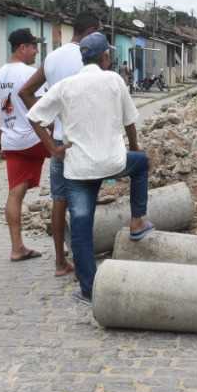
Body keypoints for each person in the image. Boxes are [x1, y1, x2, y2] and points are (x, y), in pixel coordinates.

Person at [27, 32, 153, 305]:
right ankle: (137, 221)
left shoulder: (65, 86)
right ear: (105, 57)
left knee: (82, 227)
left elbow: (34, 116)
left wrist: (53, 149)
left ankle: (89, 289)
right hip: (113, 162)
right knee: (141, 164)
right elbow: (130, 121)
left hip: (79, 169)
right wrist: (134, 147)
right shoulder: (115, 81)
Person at [19, 12, 96, 278]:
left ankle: (60, 263)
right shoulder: (90, 57)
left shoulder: (52, 58)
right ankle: (84, 263)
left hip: (60, 143)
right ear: (91, 31)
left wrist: (49, 123)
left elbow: (25, 92)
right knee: (84, 201)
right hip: (85, 143)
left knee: (60, 201)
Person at [0, 28, 45, 263]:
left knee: (15, 193)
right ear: (22, 47)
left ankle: (17, 248)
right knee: (71, 169)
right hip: (36, 139)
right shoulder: (30, 74)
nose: (36, 51)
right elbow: (44, 106)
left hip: (11, 141)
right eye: (33, 47)